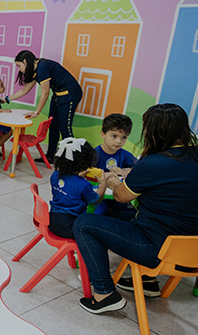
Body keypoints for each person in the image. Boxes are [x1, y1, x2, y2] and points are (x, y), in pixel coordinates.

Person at [73, 104, 198, 313]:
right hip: (192, 250)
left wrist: (113, 184)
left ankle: (103, 294)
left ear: (157, 131)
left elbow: (121, 196)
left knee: (84, 223)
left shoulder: (154, 162)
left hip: (157, 249)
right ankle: (148, 281)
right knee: (128, 215)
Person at [8, 50, 83, 163]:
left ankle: (74, 162)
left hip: (70, 94)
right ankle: (50, 156)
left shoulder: (42, 67)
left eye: (19, 66)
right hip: (58, 94)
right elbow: (24, 90)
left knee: (64, 128)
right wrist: (7, 99)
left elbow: (45, 93)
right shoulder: (34, 70)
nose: (19, 69)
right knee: (52, 125)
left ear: (25, 61)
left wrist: (36, 112)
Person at [48, 138, 108, 239]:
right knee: (98, 229)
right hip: (70, 226)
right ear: (85, 163)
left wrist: (78, 177)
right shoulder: (83, 185)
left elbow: (69, 186)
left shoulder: (55, 175)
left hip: (52, 221)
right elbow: (95, 199)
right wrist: (103, 185)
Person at [92, 113, 137, 220]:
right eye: (114, 136)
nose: (119, 141)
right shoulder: (94, 154)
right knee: (97, 217)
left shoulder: (125, 155)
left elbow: (139, 169)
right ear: (103, 134)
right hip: (99, 197)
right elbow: (82, 173)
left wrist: (123, 170)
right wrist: (101, 175)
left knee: (132, 214)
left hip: (117, 196)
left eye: (124, 137)